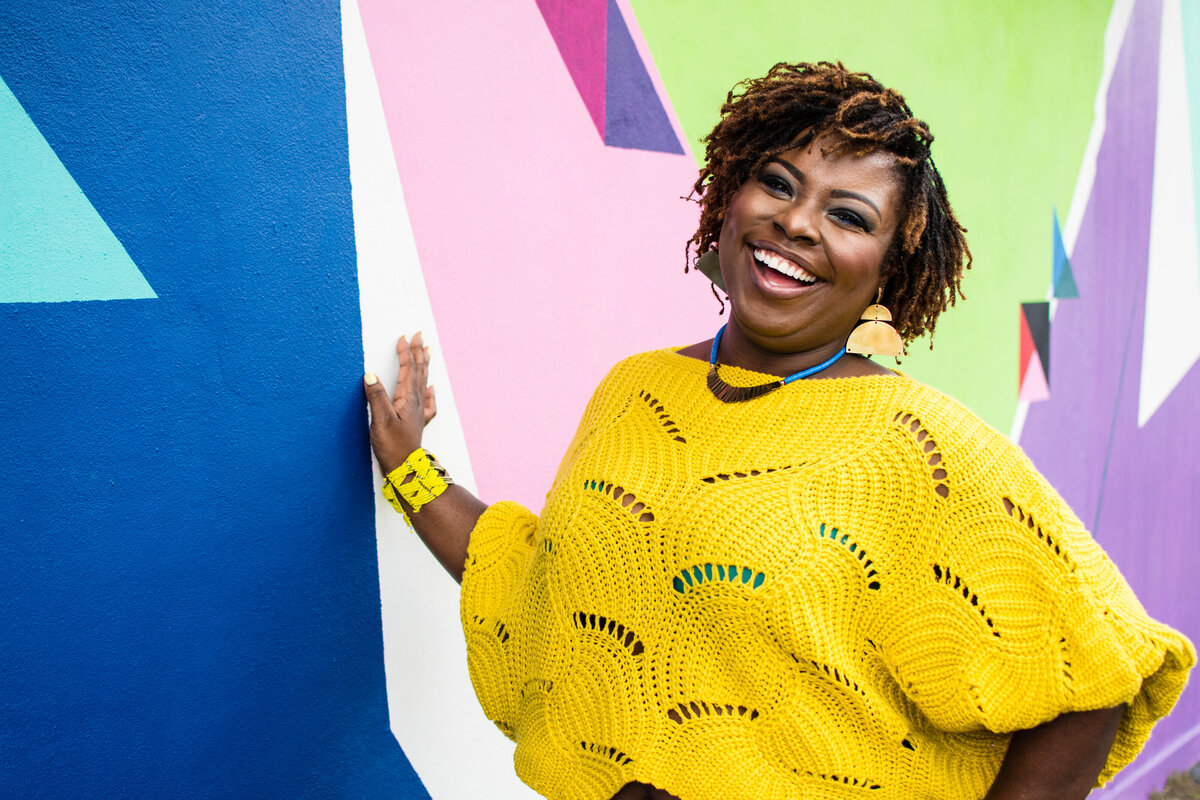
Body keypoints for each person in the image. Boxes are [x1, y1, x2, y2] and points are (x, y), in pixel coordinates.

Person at [362, 62, 1194, 800]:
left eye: (850, 217)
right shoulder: (636, 388)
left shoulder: (920, 447)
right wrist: (409, 468)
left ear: (888, 271)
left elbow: (1096, 678)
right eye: (779, 183)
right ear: (729, 198)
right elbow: (547, 582)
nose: (798, 224)